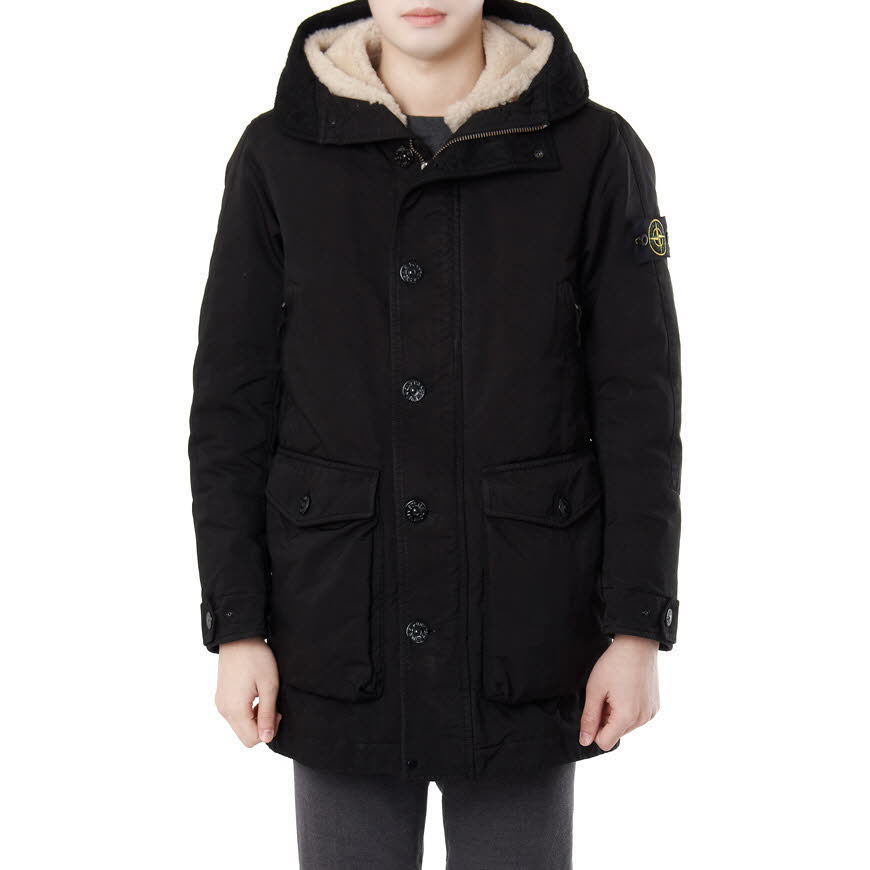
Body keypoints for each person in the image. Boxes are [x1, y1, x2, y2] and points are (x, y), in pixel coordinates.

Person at [188, 0, 682, 866]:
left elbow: (639, 404)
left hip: (525, 633)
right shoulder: (278, 154)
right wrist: (238, 627)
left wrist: (637, 629)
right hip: (337, 631)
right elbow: (231, 407)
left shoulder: (591, 150)